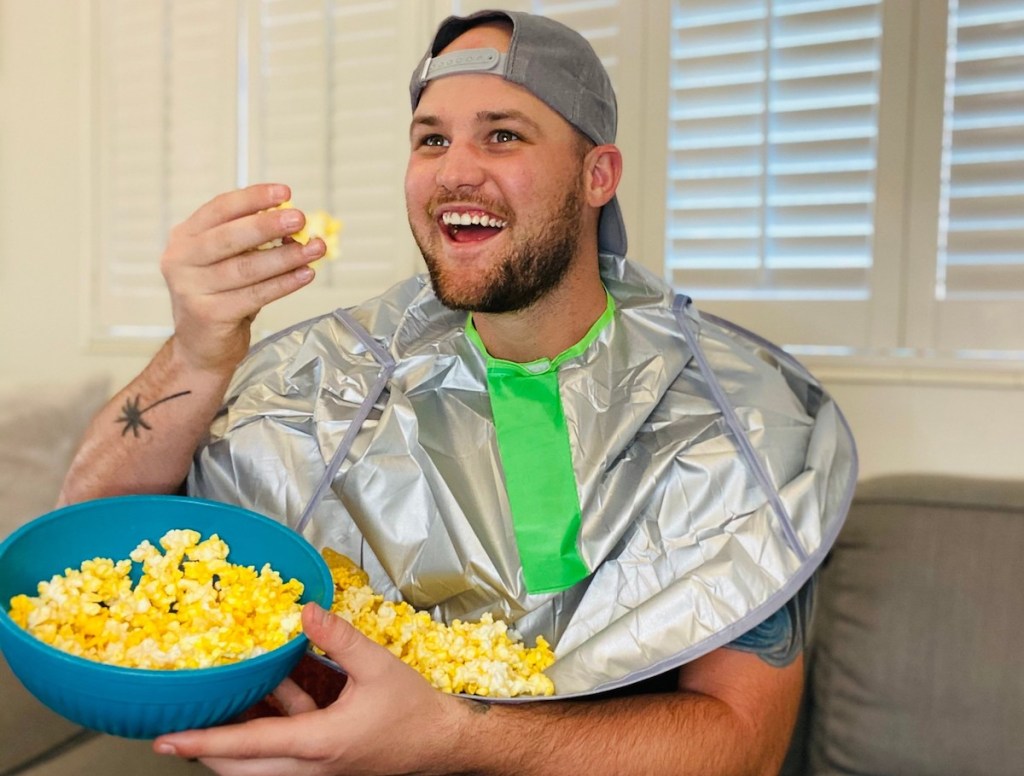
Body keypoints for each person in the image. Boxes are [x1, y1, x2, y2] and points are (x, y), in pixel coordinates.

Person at [60, 9, 855, 776]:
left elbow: (741, 746)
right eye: (431, 139)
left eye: (502, 135)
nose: (455, 171)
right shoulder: (330, 378)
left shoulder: (729, 415)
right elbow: (82, 548)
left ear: (597, 175)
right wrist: (198, 351)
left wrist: (450, 737)